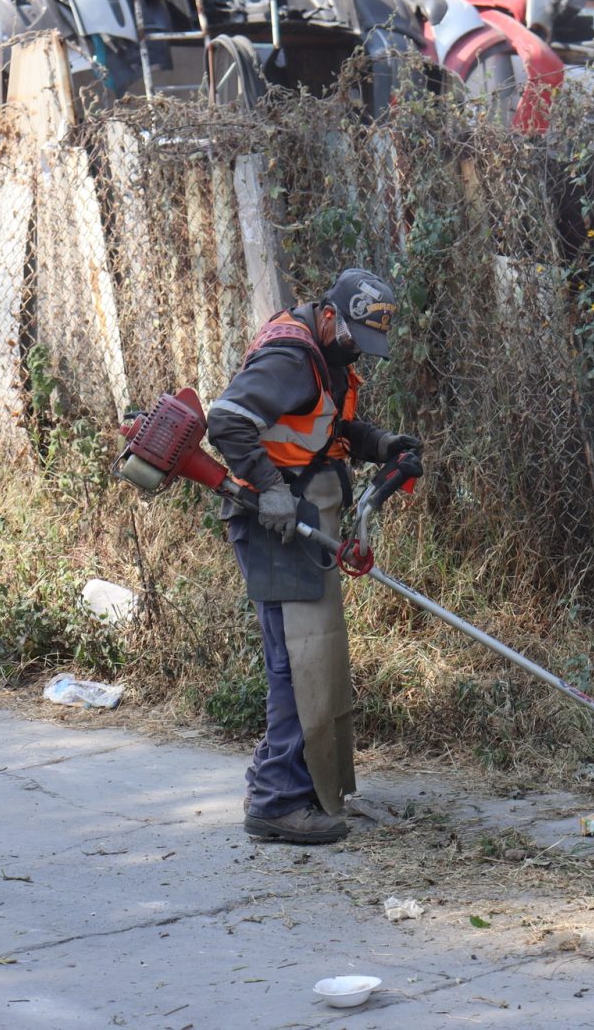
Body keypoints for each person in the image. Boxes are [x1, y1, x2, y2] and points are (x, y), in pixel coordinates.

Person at [208, 268, 420, 844]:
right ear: (330, 314)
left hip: (302, 518)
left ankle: (274, 779)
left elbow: (323, 425)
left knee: (302, 658)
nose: (357, 350)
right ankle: (277, 802)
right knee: (294, 665)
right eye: (352, 336)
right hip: (277, 523)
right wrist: (270, 488)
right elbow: (225, 419)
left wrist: (380, 445)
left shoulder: (324, 355)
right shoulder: (291, 356)